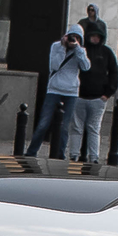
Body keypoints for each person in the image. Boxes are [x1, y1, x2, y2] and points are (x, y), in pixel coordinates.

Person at [30, 26, 86, 156]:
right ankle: (31, 152)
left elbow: (86, 67)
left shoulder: (80, 51)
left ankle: (59, 154)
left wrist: (77, 49)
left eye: (77, 38)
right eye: (72, 37)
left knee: (64, 127)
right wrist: (62, 48)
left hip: (71, 92)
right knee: (43, 123)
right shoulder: (56, 46)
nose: (73, 40)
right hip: (54, 90)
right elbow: (54, 65)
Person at [69, 19, 118, 163]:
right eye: (93, 35)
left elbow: (114, 72)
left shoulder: (106, 52)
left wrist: (108, 93)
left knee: (94, 128)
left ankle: (94, 157)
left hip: (98, 97)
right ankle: (74, 155)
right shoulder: (81, 51)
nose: (95, 38)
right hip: (80, 96)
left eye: (98, 35)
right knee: (77, 128)